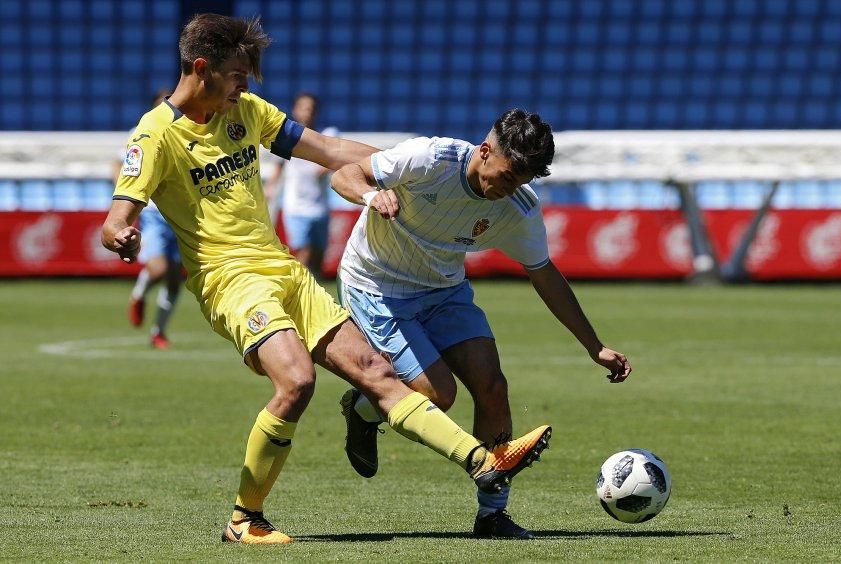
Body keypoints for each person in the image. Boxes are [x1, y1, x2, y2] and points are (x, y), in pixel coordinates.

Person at [100, 14, 552, 545]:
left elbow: (330, 151)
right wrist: (121, 237)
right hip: (230, 279)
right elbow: (115, 220)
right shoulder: (154, 136)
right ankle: (245, 519)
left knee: (377, 374)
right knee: (296, 381)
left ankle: (481, 464)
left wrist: (413, 170)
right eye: (238, 75)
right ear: (202, 69)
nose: (245, 86)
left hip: (284, 267)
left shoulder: (244, 111)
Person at [331, 109, 632, 539]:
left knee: (492, 386)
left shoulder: (518, 208)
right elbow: (344, 173)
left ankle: (492, 515)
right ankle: (364, 408)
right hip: (377, 286)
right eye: (508, 177)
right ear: (485, 152)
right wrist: (369, 196)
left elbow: (545, 275)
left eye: (522, 182)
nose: (511, 190)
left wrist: (593, 346)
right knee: (436, 393)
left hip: (445, 290)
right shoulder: (428, 160)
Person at [114, 90, 183, 349]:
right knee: (161, 269)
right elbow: (118, 164)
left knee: (176, 279)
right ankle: (139, 293)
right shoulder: (142, 131)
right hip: (154, 213)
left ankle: (158, 331)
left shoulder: (186, 131)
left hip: (180, 214)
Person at [263, 93, 335, 278]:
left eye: (310, 108)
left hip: (320, 207)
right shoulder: (286, 139)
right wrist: (270, 187)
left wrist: (325, 168)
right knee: (304, 252)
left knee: (318, 257)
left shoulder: (326, 138)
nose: (307, 112)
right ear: (295, 110)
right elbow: (278, 168)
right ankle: (301, 296)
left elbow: (337, 160)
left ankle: (314, 296)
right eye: (303, 107)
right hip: (295, 206)